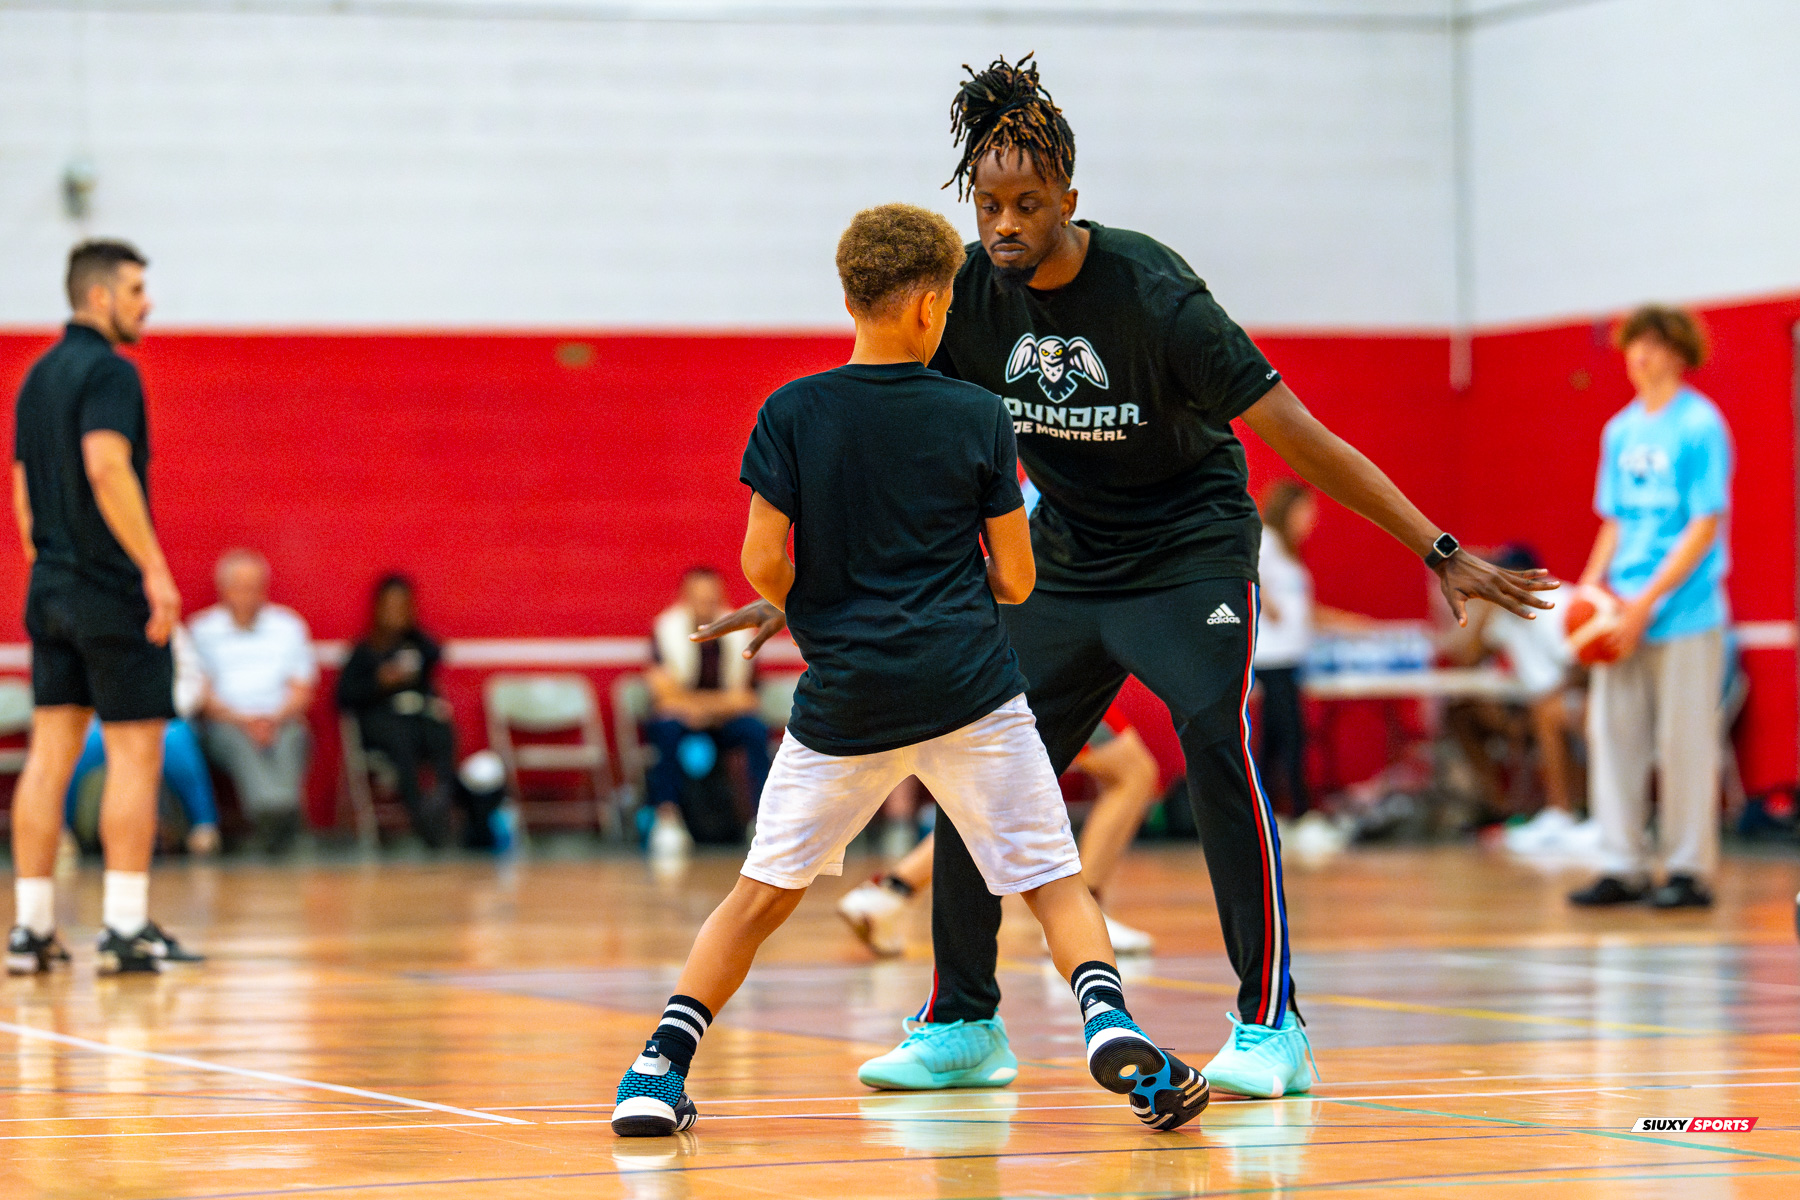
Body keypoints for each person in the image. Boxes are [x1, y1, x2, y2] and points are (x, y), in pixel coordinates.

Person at [697, 56, 1552, 1099]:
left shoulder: (1157, 297)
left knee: (1210, 735)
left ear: (1068, 199)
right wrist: (793, 583)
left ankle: (1271, 1022)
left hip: (1187, 549)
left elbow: (1301, 437)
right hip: (1065, 558)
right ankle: (962, 1021)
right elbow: (887, 443)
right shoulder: (964, 296)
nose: (1003, 225)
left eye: (1025, 204)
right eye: (987, 204)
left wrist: (1439, 548)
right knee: (974, 761)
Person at [611, 204, 1208, 1139]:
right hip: (970, 689)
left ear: (849, 296)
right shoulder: (977, 414)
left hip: (848, 697)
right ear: (935, 306)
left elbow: (764, 566)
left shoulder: (792, 411)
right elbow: (1016, 577)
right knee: (1051, 880)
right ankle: (1108, 1021)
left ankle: (658, 1068)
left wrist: (829, 589)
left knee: (761, 893)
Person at [7, 238, 202, 975]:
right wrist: (153, 568)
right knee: (134, 754)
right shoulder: (111, 373)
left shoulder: (35, 379)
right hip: (107, 589)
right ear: (99, 298)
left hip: (50, 587)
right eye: (135, 289)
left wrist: (52, 568)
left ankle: (30, 930)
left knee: (49, 755)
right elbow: (106, 464)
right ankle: (123, 927)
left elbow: (24, 495)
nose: (145, 302)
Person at [1569, 306, 1733, 910]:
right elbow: (1612, 519)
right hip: (1620, 606)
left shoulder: (1700, 425)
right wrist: (1589, 590)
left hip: (1684, 610)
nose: (1639, 353)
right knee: (1612, 737)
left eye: (1653, 343)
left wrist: (1647, 602)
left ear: (1679, 353)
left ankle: (1688, 870)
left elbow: (1704, 523)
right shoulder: (1620, 431)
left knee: (1685, 742)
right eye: (1633, 342)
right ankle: (1622, 863)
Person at [836, 708, 1163, 956]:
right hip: (1045, 659)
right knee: (1132, 773)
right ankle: (1086, 918)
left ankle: (890, 894)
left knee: (998, 799)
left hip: (996, 660)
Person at [1439, 544, 1587, 851]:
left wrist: (1550, 695)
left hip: (1579, 696)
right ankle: (1502, 808)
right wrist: (1481, 609)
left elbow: (1584, 666)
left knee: (1546, 712)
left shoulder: (1559, 605)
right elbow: (1468, 657)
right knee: (1461, 713)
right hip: (1531, 703)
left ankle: (1567, 812)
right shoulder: (1505, 613)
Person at [1254, 479, 1375, 822]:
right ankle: (1300, 811)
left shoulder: (1290, 556)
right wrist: (1266, 602)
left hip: (1290, 656)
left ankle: (1268, 812)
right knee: (1290, 739)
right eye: (1307, 511)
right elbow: (1241, 574)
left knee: (1275, 742)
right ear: (1288, 510)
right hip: (1271, 658)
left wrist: (1348, 623)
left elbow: (1304, 611)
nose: (1312, 520)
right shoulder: (1267, 543)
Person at [190, 549, 317, 854]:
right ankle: (273, 813)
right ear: (225, 590)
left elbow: (302, 689)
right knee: (240, 742)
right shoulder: (202, 630)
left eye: (256, 587)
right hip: (226, 723)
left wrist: (272, 719)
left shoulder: (288, 626)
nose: (250, 595)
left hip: (282, 719)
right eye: (241, 587)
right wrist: (245, 721)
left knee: (292, 737)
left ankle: (277, 813)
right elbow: (201, 694)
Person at [65, 623, 221, 857]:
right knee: (80, 748)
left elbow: (190, 678)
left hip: (164, 714)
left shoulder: (167, 623)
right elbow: (73, 680)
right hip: (103, 716)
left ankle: (203, 826)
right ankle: (61, 829)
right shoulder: (89, 620)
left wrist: (164, 709)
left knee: (177, 741)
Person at [642, 567, 767, 854]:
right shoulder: (666, 629)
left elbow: (748, 698)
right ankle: (667, 819)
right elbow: (663, 695)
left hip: (723, 722)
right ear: (684, 598)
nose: (705, 606)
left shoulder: (741, 631)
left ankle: (762, 820)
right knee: (666, 728)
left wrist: (701, 707)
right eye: (699, 599)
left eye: (711, 599)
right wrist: (716, 704)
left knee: (755, 730)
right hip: (684, 721)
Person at [336, 574, 455, 848]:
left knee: (440, 727)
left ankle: (442, 797)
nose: (396, 611)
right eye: (391, 604)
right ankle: (418, 813)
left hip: (417, 719)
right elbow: (343, 696)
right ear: (379, 607)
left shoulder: (417, 645)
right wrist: (379, 681)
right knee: (401, 738)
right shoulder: (365, 650)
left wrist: (410, 634)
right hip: (381, 721)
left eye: (403, 605)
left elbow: (437, 652)